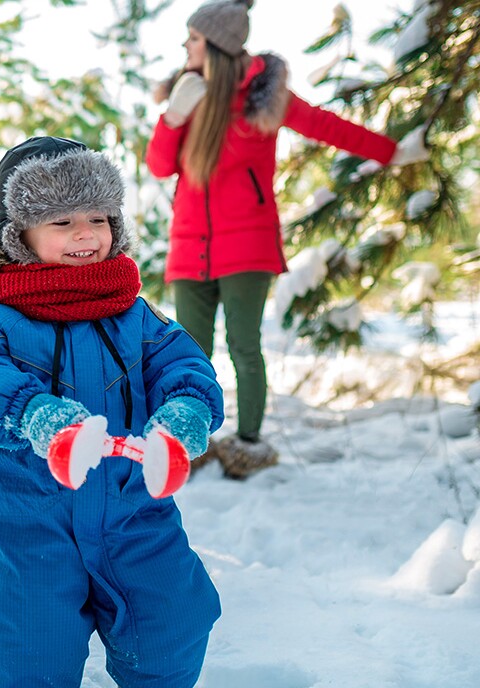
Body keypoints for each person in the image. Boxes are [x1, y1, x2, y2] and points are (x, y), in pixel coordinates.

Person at [0, 136, 225, 688]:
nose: (85, 234)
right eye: (61, 221)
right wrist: (33, 414)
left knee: (172, 620)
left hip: (134, 506)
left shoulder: (135, 315)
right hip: (31, 518)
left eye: (97, 217)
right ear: (17, 237)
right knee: (31, 644)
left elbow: (182, 363)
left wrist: (186, 409)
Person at [146, 0, 410, 479]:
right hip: (188, 249)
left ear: (218, 46)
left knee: (244, 346)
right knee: (188, 351)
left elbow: (328, 127)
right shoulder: (187, 94)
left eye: (194, 38)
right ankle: (192, 439)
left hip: (246, 247)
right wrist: (172, 118)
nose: (185, 46)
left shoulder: (262, 98)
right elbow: (161, 167)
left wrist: (392, 152)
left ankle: (249, 442)